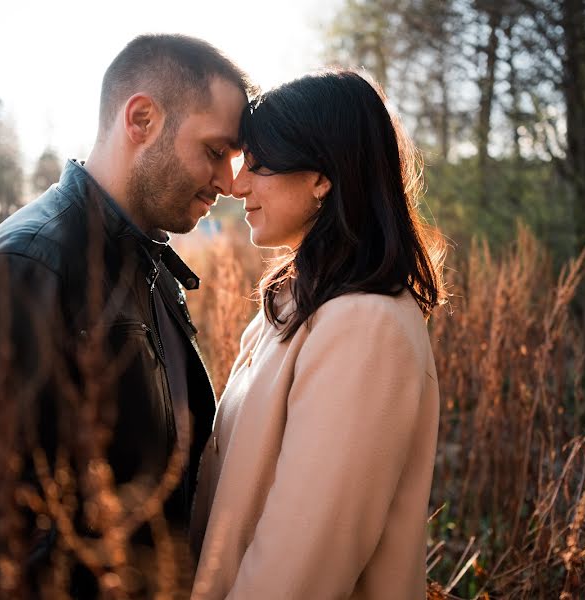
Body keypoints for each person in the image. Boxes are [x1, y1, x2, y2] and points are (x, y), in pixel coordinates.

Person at [0, 34, 251, 599]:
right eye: (215, 151)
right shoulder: (27, 269)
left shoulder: (143, 259)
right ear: (142, 119)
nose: (228, 181)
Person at [189, 70, 446, 599]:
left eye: (258, 167)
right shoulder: (295, 305)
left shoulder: (365, 329)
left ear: (321, 177)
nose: (237, 186)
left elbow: (299, 570)